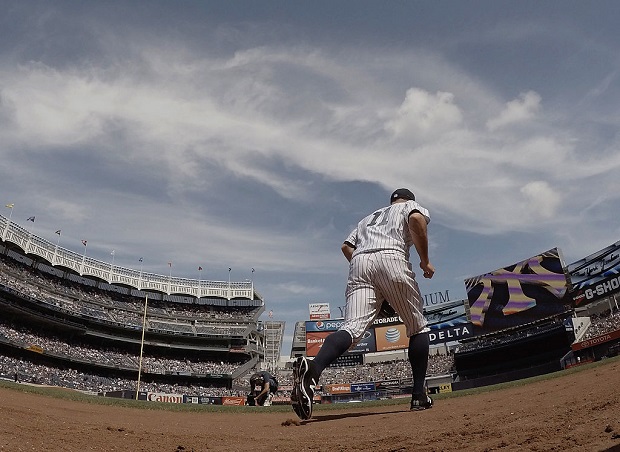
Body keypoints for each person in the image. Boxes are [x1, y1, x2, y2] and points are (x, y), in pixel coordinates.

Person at [291, 188, 435, 420]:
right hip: (392, 255)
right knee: (417, 327)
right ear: (408, 199)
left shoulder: (367, 218)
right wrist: (425, 261)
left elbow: (346, 247)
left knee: (352, 327)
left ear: (390, 201)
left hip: (359, 262)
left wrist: (369, 271)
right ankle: (419, 394)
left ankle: (314, 369)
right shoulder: (409, 207)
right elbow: (417, 219)